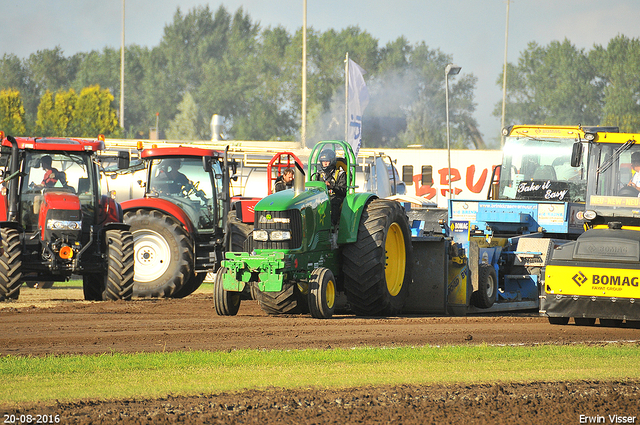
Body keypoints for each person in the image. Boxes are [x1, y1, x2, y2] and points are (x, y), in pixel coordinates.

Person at [314, 149, 346, 226]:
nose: (325, 163)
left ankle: (331, 226)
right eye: (323, 161)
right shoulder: (319, 174)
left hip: (336, 196)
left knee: (332, 202)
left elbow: (343, 190)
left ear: (332, 161)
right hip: (321, 196)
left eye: (327, 161)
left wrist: (332, 186)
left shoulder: (340, 173)